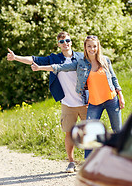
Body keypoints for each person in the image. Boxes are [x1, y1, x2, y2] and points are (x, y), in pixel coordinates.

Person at [31, 35, 125, 157]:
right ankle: (88, 162)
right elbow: (59, 67)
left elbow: (113, 78)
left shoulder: (105, 60)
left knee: (117, 130)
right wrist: (40, 68)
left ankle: (122, 157)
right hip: (94, 103)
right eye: (89, 46)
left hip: (111, 100)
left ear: (98, 47)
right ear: (85, 48)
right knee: (89, 132)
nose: (92, 49)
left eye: (94, 46)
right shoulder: (81, 63)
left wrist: (120, 95)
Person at [7, 31, 86, 173]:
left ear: (71, 42)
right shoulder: (54, 58)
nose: (65, 43)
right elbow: (33, 59)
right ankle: (71, 162)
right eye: (61, 42)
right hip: (67, 103)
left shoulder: (81, 56)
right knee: (68, 132)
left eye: (67, 40)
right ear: (58, 44)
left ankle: (91, 162)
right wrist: (15, 57)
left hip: (85, 101)